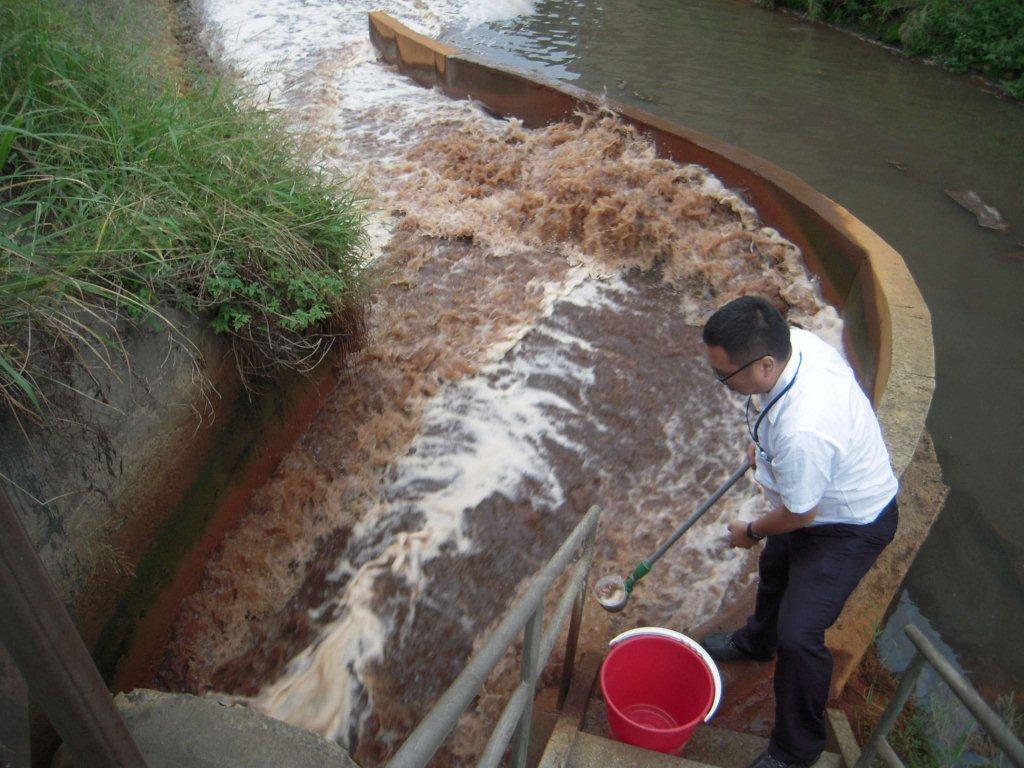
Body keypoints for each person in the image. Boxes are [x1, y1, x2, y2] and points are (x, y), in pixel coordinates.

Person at [700, 295, 899, 768]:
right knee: (775, 570)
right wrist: (762, 445)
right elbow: (783, 442)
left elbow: (799, 515)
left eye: (725, 375)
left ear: (765, 363)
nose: (722, 383)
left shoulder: (805, 429)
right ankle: (754, 642)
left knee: (800, 633)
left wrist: (749, 529)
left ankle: (796, 751)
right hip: (814, 495)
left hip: (850, 524)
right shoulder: (799, 345)